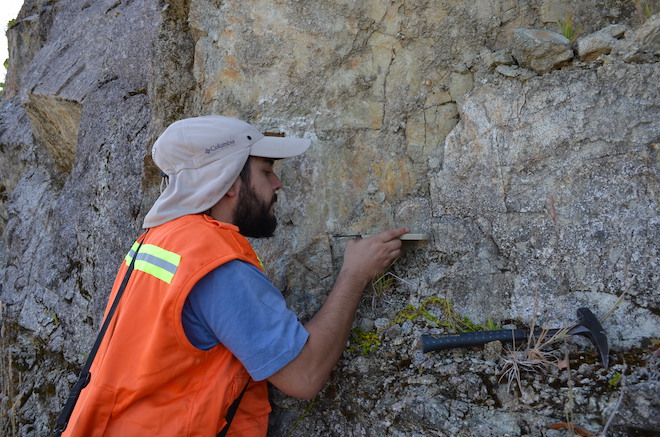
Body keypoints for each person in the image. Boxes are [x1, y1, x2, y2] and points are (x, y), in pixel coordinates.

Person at [61, 116, 409, 436]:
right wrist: (354, 274)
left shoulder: (158, 239)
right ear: (226, 181)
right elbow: (304, 376)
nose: (278, 183)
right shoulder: (215, 264)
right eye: (265, 171)